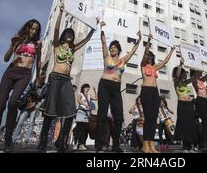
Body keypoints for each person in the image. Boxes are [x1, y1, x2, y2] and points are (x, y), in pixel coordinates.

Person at [37, 2, 95, 153]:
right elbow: (56, 30)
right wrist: (61, 12)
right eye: (67, 33)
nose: (70, 35)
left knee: (70, 113)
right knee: (50, 112)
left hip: (67, 81)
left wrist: (94, 27)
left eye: (72, 34)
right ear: (64, 36)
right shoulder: (57, 45)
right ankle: (42, 143)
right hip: (56, 78)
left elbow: (87, 40)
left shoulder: (73, 49)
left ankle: (61, 141)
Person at [0, 19, 42, 153]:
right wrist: (12, 44)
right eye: (31, 28)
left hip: (25, 74)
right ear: (27, 28)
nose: (33, 31)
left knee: (13, 103)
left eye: (36, 29)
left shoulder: (37, 44)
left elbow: (38, 62)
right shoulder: (18, 39)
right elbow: (6, 58)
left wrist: (38, 78)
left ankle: (8, 139)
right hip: (11, 72)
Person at [95, 21, 141, 153]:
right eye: (111, 47)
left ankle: (115, 145)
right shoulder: (106, 57)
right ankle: (100, 145)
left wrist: (139, 40)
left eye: (115, 47)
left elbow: (132, 52)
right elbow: (103, 42)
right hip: (104, 85)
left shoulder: (123, 60)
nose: (112, 49)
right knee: (102, 115)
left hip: (116, 88)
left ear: (119, 49)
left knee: (119, 117)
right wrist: (102, 28)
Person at [139, 32, 175, 153]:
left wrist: (171, 50)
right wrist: (148, 41)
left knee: (153, 119)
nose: (149, 57)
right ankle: (145, 145)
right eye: (148, 56)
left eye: (150, 56)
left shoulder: (154, 67)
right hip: (146, 91)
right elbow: (145, 54)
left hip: (155, 92)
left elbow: (164, 61)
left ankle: (151, 145)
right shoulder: (143, 65)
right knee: (148, 118)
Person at [173, 57, 200, 153]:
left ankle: (189, 147)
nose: (185, 75)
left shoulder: (186, 83)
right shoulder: (177, 82)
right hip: (182, 105)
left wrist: (197, 65)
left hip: (189, 106)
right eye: (184, 73)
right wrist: (180, 64)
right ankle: (185, 148)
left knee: (190, 125)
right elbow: (177, 75)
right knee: (184, 125)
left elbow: (195, 77)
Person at [191, 67, 207, 151]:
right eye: (198, 72)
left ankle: (203, 142)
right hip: (200, 100)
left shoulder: (202, 80)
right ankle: (203, 143)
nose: (200, 73)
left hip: (205, 101)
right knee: (204, 122)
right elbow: (201, 75)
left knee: (206, 122)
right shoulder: (194, 80)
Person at [75, 84, 97, 150]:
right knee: (78, 128)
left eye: (89, 88)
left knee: (84, 130)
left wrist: (95, 90)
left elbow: (96, 98)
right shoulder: (80, 94)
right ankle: (76, 143)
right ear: (83, 88)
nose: (88, 89)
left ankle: (82, 144)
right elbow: (78, 100)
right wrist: (85, 104)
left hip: (87, 114)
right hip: (81, 112)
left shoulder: (89, 95)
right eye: (87, 87)